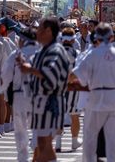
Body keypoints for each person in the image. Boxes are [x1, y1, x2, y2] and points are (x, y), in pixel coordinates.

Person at [71, 22, 115, 162]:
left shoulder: (91, 54)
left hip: (96, 99)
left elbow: (77, 75)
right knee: (113, 142)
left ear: (96, 37)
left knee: (90, 140)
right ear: (112, 37)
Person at [19, 16, 70, 162]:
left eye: (39, 29)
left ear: (48, 31)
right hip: (43, 103)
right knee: (42, 144)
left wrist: (30, 69)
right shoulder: (45, 49)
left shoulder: (55, 50)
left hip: (50, 103)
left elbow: (51, 74)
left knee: (45, 144)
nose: (37, 32)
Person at [2, 26, 39, 162]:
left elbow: (6, 76)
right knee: (37, 127)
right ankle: (37, 152)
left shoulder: (17, 54)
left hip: (19, 95)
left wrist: (3, 90)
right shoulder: (42, 53)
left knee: (20, 129)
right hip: (38, 96)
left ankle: (23, 157)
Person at [57, 27, 81, 152]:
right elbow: (80, 72)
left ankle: (58, 143)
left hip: (58, 87)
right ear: (72, 40)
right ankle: (74, 141)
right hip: (73, 87)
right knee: (74, 114)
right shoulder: (77, 53)